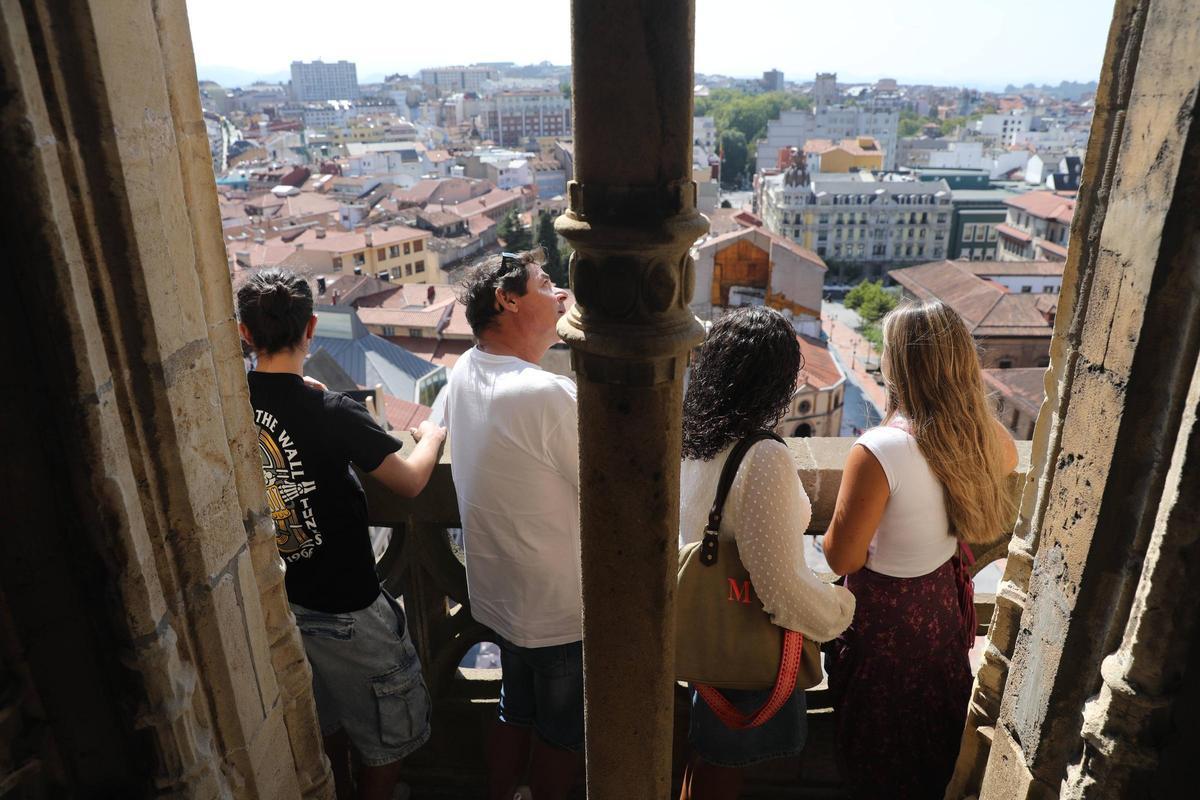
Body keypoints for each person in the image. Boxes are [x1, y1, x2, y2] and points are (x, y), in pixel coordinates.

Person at [236, 268, 447, 800]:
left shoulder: (233, 402)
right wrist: (432, 436)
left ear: (244, 334)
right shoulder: (331, 411)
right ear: (311, 327)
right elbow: (411, 481)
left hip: (286, 604)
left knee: (320, 727)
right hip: (349, 609)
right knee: (389, 738)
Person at [822, 300, 1018, 798]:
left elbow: (840, 558)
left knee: (878, 756)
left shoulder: (880, 449)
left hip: (887, 622)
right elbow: (1011, 456)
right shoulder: (975, 437)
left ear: (897, 364)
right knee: (930, 747)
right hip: (940, 609)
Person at [678, 307, 856, 800]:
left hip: (704, 625)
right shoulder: (763, 458)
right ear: (777, 381)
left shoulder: (696, 442)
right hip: (744, 639)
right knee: (723, 770)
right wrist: (840, 612)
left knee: (705, 757)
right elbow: (777, 585)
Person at [442, 249, 582, 800]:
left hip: (500, 595)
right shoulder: (546, 394)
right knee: (561, 732)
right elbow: (610, 488)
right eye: (547, 284)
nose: (562, 294)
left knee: (514, 707)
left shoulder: (464, 371)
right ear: (508, 299)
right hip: (557, 605)